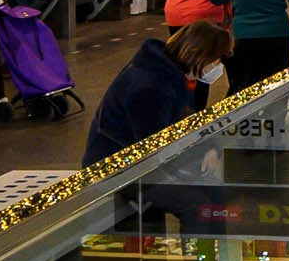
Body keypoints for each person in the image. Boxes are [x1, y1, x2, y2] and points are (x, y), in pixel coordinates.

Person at [85, 19, 233, 162]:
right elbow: (155, 152)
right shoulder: (151, 88)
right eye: (217, 61)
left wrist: (208, 147)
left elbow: (186, 121)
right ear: (200, 56)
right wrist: (200, 154)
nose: (218, 67)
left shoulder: (171, 72)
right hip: (116, 167)